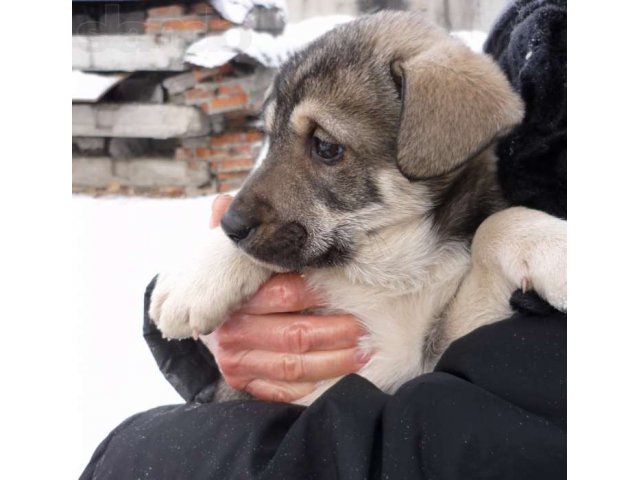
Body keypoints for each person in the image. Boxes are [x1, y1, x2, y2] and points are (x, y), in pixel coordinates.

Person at [81, 1, 566, 478]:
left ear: (439, 143)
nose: (249, 205)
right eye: (274, 139)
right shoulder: (530, 51)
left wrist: (515, 236)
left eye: (327, 147)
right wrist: (234, 269)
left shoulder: (476, 233)